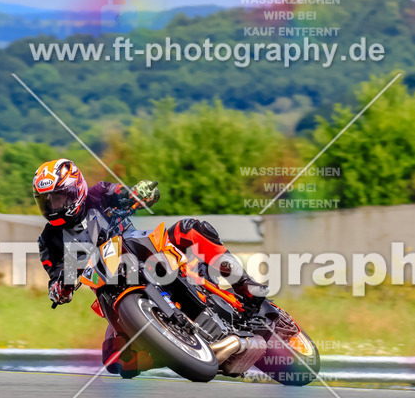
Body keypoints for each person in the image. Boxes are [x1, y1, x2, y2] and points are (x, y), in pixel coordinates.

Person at [33, 158, 267, 376]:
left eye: (57, 199)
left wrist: (139, 193)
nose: (52, 207)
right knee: (115, 360)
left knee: (191, 228)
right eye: (46, 201)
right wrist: (60, 288)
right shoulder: (48, 240)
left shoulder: (99, 193)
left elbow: (124, 193)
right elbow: (55, 276)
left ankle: (244, 284)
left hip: (143, 250)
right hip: (110, 287)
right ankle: (179, 352)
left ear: (76, 191)